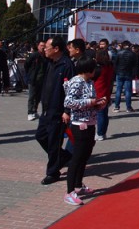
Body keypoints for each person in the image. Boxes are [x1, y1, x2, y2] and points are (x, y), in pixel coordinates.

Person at [63, 57, 107, 205]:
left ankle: (78, 185)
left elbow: (90, 102)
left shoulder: (89, 82)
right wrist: (90, 102)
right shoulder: (77, 81)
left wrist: (98, 104)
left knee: (85, 155)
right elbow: (69, 102)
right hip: (79, 123)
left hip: (90, 121)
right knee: (77, 157)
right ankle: (69, 192)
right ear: (88, 69)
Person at [35, 36, 75, 185]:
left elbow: (71, 91)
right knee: (40, 136)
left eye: (47, 47)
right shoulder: (51, 63)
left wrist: (67, 110)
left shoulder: (67, 65)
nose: (45, 49)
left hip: (58, 111)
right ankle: (63, 157)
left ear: (56, 49)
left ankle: (52, 172)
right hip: (47, 108)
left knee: (54, 143)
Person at [93, 49, 114, 141]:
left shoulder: (98, 68)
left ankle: (100, 133)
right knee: (104, 114)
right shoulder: (109, 66)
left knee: (100, 114)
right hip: (106, 92)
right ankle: (103, 132)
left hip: (99, 92)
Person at [113, 41, 139, 113]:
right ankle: (128, 107)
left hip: (119, 73)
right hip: (128, 73)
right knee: (128, 91)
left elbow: (115, 64)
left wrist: (116, 71)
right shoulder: (133, 54)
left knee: (118, 90)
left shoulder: (119, 53)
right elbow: (135, 65)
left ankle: (116, 107)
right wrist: (134, 74)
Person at [24, 41, 47, 121]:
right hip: (33, 79)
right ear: (38, 46)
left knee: (38, 97)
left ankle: (35, 111)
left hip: (42, 80)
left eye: (44, 46)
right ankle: (30, 112)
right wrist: (30, 73)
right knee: (32, 96)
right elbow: (26, 64)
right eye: (41, 45)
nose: (43, 47)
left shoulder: (46, 56)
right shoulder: (34, 55)